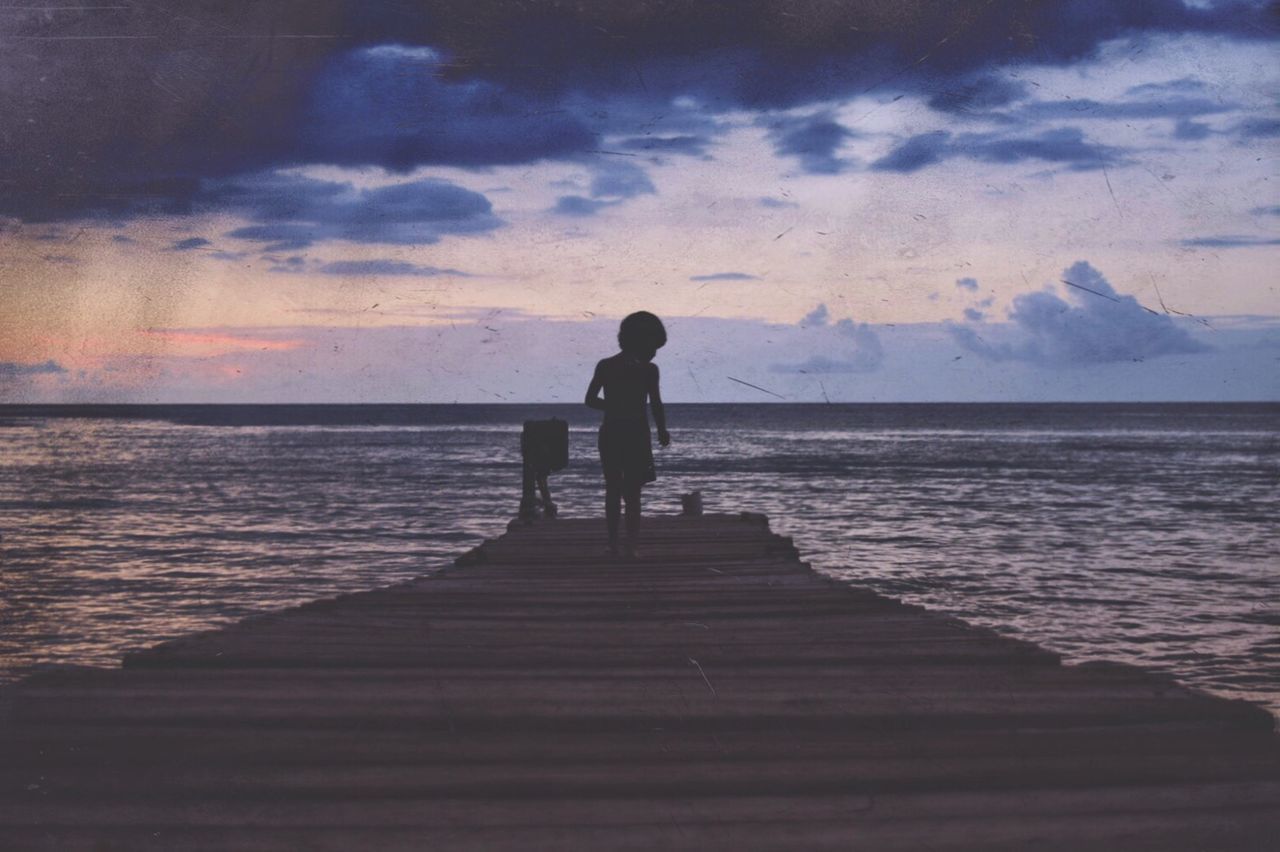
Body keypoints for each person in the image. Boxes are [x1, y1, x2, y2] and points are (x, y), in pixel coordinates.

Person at [584, 311, 670, 559]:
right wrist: (661, 429)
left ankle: (622, 545)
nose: (654, 353)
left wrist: (661, 429)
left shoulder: (625, 367)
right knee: (626, 490)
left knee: (621, 489)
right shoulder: (638, 368)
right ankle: (625, 545)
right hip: (625, 432)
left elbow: (655, 403)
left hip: (621, 432)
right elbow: (655, 404)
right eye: (653, 347)